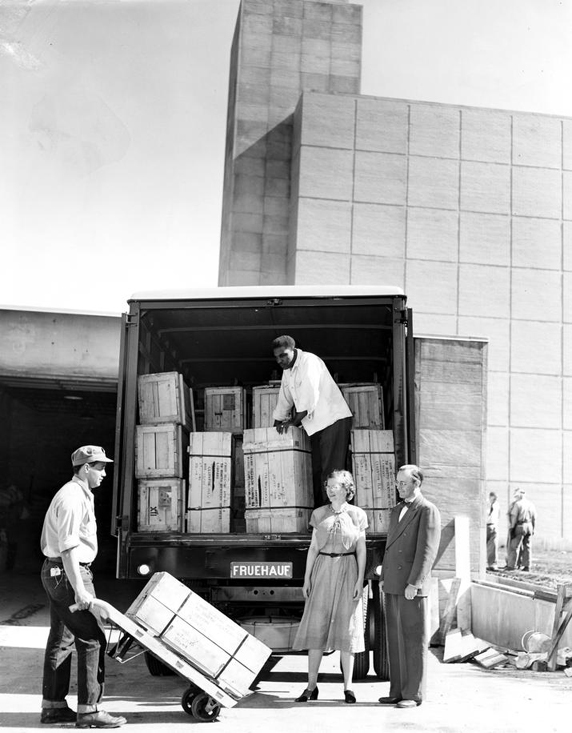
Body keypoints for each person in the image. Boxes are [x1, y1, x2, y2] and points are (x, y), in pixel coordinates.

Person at [40, 445, 127, 728]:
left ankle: (53, 707)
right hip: (68, 572)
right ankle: (90, 710)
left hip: (58, 571)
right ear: (86, 468)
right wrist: (80, 588)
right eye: (100, 468)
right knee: (92, 637)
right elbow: (67, 547)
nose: (104, 473)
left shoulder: (78, 494)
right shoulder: (71, 498)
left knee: (62, 637)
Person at [292, 470, 367, 704]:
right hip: (322, 568)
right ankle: (311, 686)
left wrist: (359, 580)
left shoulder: (357, 515)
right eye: (328, 486)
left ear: (347, 489)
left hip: (348, 568)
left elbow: (362, 550)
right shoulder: (318, 514)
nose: (330, 489)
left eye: (335, 486)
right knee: (317, 625)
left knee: (347, 627)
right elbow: (313, 548)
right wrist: (306, 579)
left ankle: (348, 688)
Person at [378, 464, 441, 709]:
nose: (398, 486)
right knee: (395, 639)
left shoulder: (427, 509)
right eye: (397, 482)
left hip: (411, 585)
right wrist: (384, 574)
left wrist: (415, 583)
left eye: (403, 483)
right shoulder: (396, 510)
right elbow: (390, 546)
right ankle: (397, 690)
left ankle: (413, 694)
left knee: (413, 640)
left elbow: (427, 551)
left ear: (417, 483)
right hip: (393, 582)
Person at [272, 335, 353, 506]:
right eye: (277, 357)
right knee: (316, 471)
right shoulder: (288, 371)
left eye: (283, 355)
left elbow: (309, 396)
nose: (280, 360)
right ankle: (322, 511)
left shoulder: (309, 361)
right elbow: (284, 399)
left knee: (331, 472)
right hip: (315, 425)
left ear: (293, 351)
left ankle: (334, 513)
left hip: (333, 419)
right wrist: (275, 425)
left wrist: (292, 423)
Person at [505, 489, 537, 571]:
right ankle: (527, 566)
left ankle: (512, 565)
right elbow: (534, 518)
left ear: (518, 496)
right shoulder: (531, 504)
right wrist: (533, 528)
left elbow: (514, 517)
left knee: (514, 546)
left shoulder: (517, 504)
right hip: (529, 525)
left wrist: (512, 527)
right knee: (527, 546)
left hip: (520, 525)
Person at [486, 492, 500, 571]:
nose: (495, 500)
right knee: (483, 546)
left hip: (493, 526)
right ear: (490, 496)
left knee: (493, 546)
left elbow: (498, 515)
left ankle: (492, 564)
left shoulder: (497, 505)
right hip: (485, 525)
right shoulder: (485, 503)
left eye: (496, 499)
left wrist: (496, 525)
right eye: (494, 498)